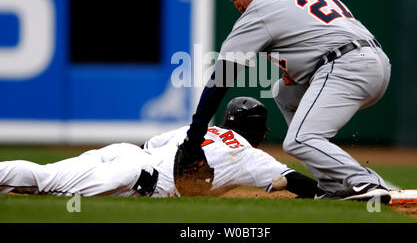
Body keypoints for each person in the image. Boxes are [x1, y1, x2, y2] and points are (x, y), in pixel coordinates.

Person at [174, 0, 392, 203]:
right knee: (284, 92)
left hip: (347, 67)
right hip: (375, 63)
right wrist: (305, 68)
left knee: (299, 140)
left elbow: (221, 77)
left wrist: (194, 138)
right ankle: (331, 184)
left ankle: (365, 182)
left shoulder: (261, 7)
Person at [0, 97, 321, 199]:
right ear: (256, 131)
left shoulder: (202, 130)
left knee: (41, 179)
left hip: (126, 153)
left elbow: (149, 145)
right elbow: (295, 181)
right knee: (45, 189)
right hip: (134, 176)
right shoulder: (249, 156)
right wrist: (330, 191)